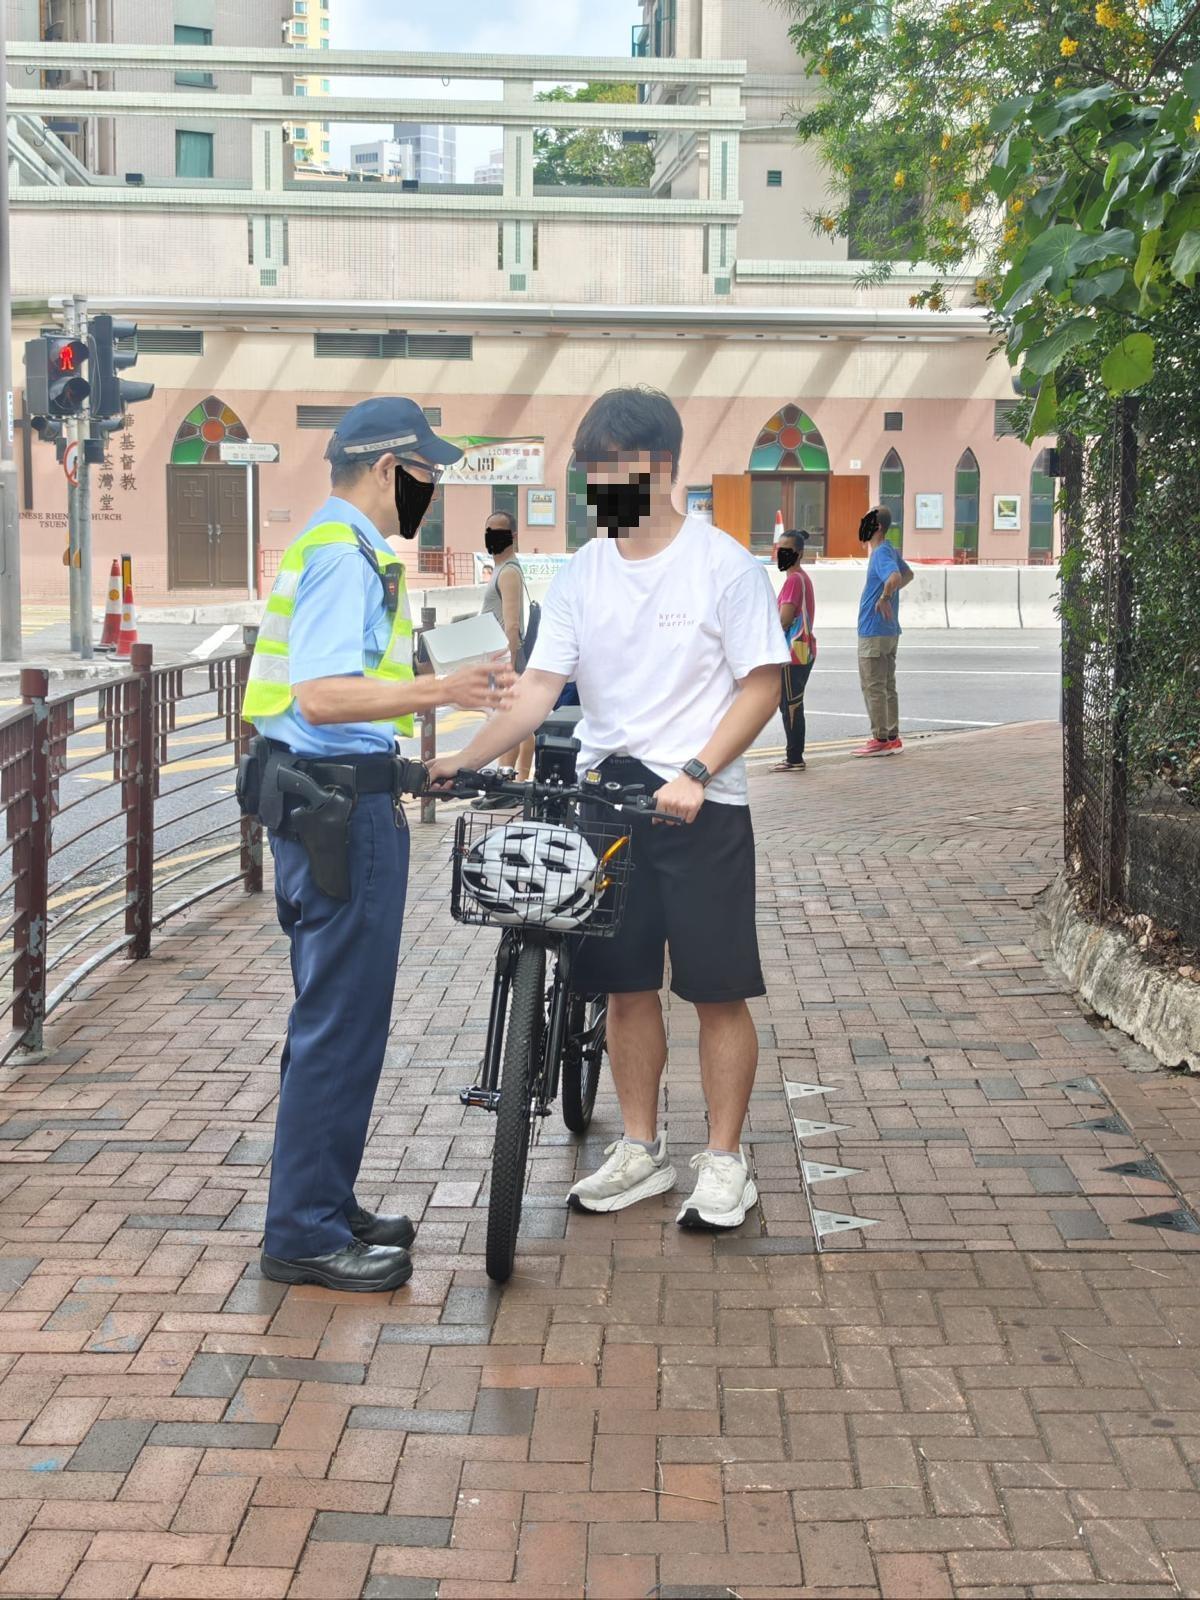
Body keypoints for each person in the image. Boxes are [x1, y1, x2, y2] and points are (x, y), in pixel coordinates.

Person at [430, 385, 789, 1229]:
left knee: (715, 991)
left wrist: (699, 768)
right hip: (607, 807)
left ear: (661, 468)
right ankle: (640, 1148)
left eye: (611, 474)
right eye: (589, 477)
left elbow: (762, 685)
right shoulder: (586, 572)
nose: (598, 493)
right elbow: (535, 694)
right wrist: (462, 757)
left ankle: (726, 1161)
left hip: (700, 809)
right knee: (625, 990)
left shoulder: (722, 566)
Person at [241, 397, 514, 1292]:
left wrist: (414, 741)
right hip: (336, 820)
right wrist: (447, 695)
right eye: (427, 473)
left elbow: (339, 695)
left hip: (332, 804)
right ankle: (305, 1232)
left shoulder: (338, 547)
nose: (430, 489)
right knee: (339, 1025)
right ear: (392, 469)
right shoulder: (344, 558)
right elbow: (321, 698)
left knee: (335, 1021)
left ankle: (322, 1199)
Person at [478, 509, 535, 797]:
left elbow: (512, 624)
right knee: (522, 724)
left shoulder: (509, 571)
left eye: (498, 531)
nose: (492, 536)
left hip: (505, 660)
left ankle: (504, 786)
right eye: (488, 530)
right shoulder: (501, 569)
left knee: (506, 723)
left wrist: (508, 668)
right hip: (500, 659)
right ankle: (521, 784)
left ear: (512, 536)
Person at [855, 506, 913, 757]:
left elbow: (894, 577)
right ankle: (891, 736)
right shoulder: (888, 549)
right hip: (888, 631)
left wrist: (885, 596)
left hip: (874, 629)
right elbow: (907, 574)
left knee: (873, 686)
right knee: (888, 685)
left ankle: (880, 738)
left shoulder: (880, 554)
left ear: (875, 527)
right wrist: (890, 591)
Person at [772, 529, 817, 773]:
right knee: (792, 704)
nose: (781, 553)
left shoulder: (793, 580)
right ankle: (793, 756)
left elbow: (784, 619)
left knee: (791, 706)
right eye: (779, 549)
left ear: (799, 553)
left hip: (793, 653)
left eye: (787, 549)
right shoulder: (801, 578)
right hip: (802, 650)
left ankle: (794, 758)